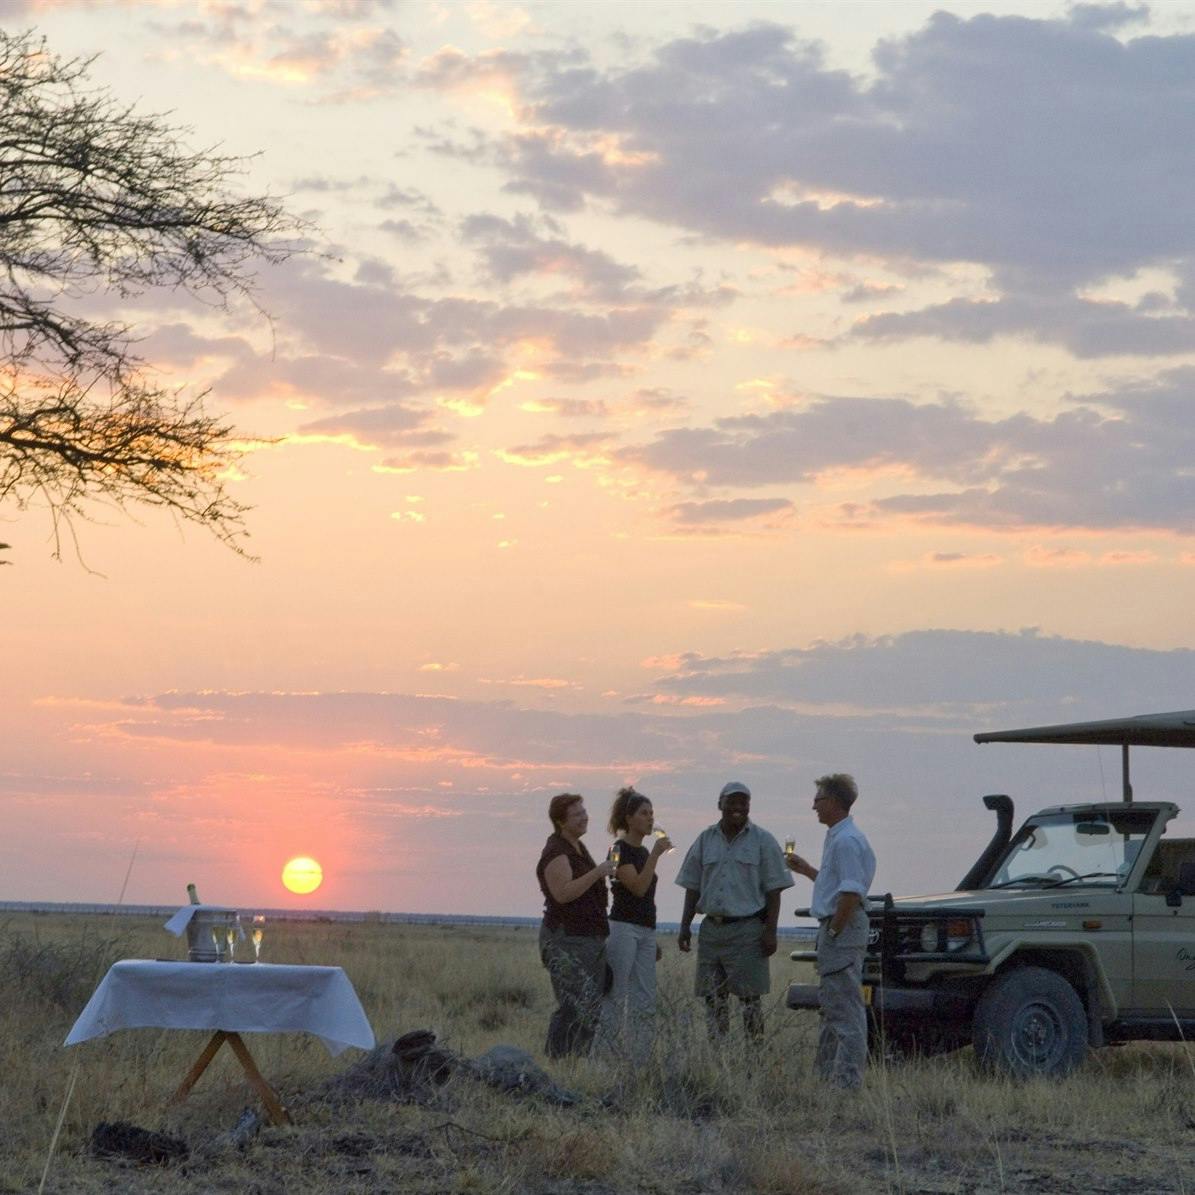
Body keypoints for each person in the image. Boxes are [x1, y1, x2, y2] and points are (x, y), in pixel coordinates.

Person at [675, 781, 793, 1040]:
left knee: (750, 1000)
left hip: (747, 930)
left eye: (743, 802)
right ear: (720, 804)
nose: (738, 807)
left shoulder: (763, 840)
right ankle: (719, 1054)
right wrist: (684, 926)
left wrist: (770, 932)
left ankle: (753, 1055)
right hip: (711, 930)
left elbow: (774, 891)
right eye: (732, 802)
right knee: (713, 998)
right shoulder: (705, 839)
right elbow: (692, 886)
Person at [787, 772, 877, 1089]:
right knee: (833, 1006)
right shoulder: (839, 838)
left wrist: (835, 930)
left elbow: (850, 893)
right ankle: (826, 1080)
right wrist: (807, 870)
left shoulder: (845, 842)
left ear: (835, 802)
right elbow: (837, 885)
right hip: (839, 928)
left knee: (845, 1011)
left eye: (819, 799)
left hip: (842, 930)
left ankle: (846, 1083)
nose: (814, 806)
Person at [595, 787, 672, 1055]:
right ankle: (604, 1057)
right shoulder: (618, 850)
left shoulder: (642, 852)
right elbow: (638, 887)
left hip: (645, 929)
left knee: (645, 996)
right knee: (615, 994)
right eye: (644, 813)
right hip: (623, 928)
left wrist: (651, 935)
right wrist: (656, 856)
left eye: (651, 813)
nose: (650, 819)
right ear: (629, 819)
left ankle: (641, 1057)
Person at [536, 793, 614, 1058]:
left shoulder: (577, 847)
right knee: (573, 1005)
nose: (584, 817)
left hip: (587, 938)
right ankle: (558, 1062)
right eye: (577, 814)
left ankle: (577, 1063)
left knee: (589, 1004)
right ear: (561, 821)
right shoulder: (556, 852)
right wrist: (597, 872)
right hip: (566, 939)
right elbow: (563, 893)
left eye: (584, 811)